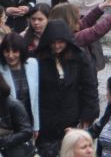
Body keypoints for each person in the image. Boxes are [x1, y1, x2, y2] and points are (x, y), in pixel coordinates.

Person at [36, 20, 98, 157]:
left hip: (72, 117)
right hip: (46, 119)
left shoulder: (79, 57)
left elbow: (90, 86)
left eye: (60, 42)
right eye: (53, 43)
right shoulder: (39, 59)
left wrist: (87, 116)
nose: (57, 46)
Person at [0, 32, 39, 139]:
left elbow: (35, 98)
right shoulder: (1, 69)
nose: (11, 55)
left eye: (15, 51)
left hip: (28, 122)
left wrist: (36, 126)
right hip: (8, 127)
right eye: (7, 51)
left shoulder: (32, 64)